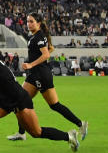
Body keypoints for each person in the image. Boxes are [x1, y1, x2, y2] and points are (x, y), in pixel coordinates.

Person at [7, 14, 87, 142]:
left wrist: (30, 64)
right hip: (34, 75)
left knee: (54, 105)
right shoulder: (35, 36)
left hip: (40, 75)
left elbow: (45, 55)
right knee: (19, 100)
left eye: (31, 21)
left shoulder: (38, 36)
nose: (29, 24)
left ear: (38, 23)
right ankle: (21, 133)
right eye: (27, 21)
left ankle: (80, 124)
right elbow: (50, 49)